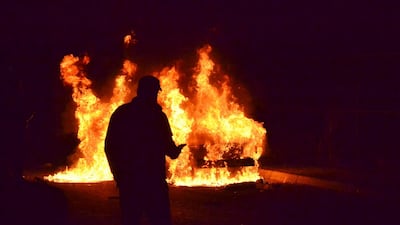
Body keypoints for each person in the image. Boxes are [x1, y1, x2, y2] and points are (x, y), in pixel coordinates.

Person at [105, 75, 186, 225]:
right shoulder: (158, 117)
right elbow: (170, 150)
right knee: (160, 220)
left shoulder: (121, 113)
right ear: (149, 92)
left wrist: (119, 175)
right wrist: (177, 150)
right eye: (154, 92)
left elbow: (110, 147)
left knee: (131, 220)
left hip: (130, 182)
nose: (155, 96)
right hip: (153, 182)